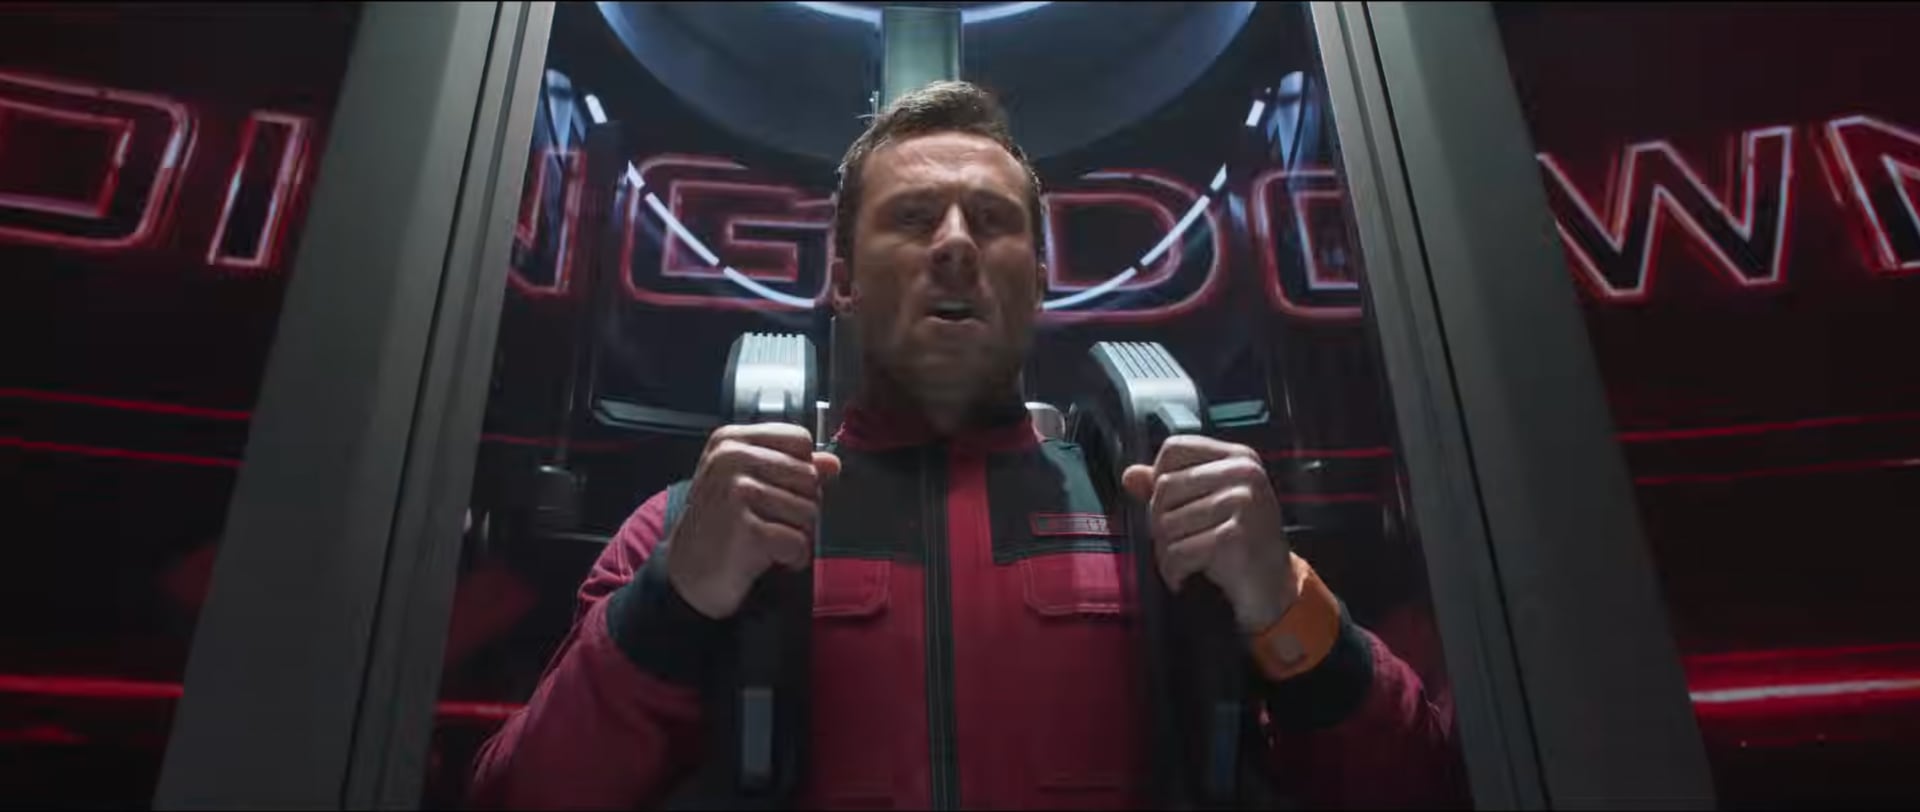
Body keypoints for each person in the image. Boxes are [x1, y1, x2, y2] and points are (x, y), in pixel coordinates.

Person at [470, 81, 1460, 810]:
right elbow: (518, 796)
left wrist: (1284, 603)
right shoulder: (691, 528)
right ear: (843, 278)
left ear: (1041, 275)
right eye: (913, 218)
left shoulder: (1166, 516)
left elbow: (1419, 783)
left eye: (991, 220)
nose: (954, 242)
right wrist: (672, 602)